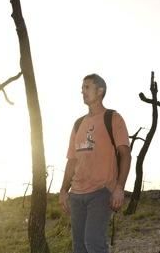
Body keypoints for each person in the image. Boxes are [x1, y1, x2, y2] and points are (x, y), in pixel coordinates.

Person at [60, 74, 131, 253]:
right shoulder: (78, 124)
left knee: (93, 242)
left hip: (101, 192)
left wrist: (119, 188)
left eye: (87, 87)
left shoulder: (113, 118)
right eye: (82, 88)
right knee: (79, 247)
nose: (82, 91)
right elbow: (72, 161)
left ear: (100, 91)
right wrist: (63, 190)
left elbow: (126, 155)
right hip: (76, 195)